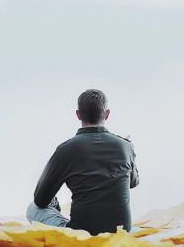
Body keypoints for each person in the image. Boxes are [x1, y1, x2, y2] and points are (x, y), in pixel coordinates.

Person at [28, 88, 139, 234]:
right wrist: (131, 153)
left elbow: (40, 200)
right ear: (107, 114)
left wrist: (54, 203)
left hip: (83, 234)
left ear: (78, 115)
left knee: (33, 208)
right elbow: (133, 182)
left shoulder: (66, 149)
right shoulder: (125, 146)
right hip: (120, 233)